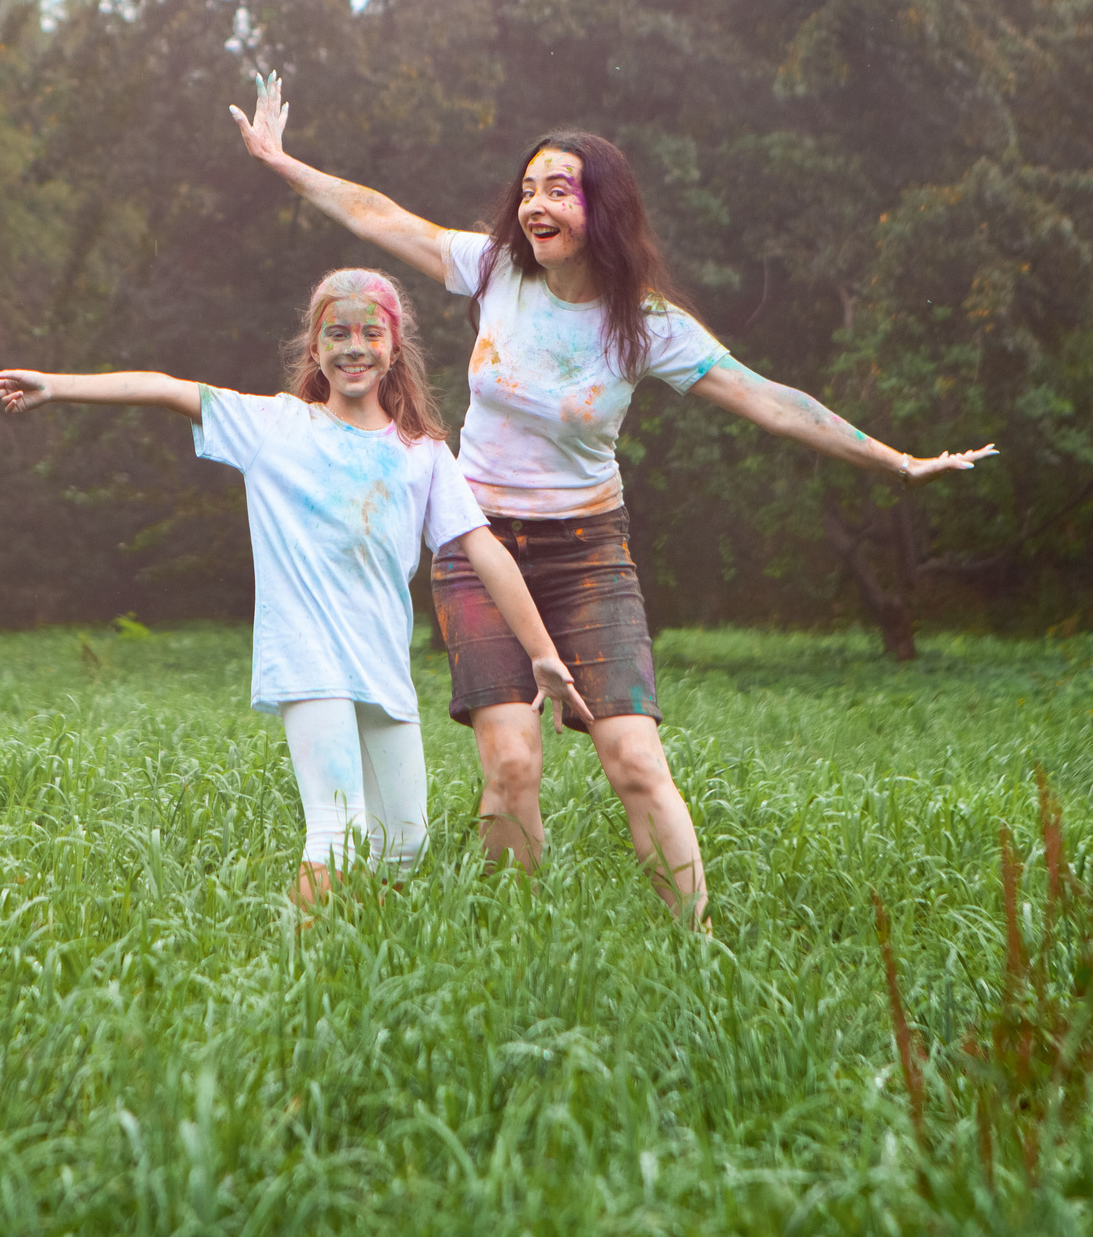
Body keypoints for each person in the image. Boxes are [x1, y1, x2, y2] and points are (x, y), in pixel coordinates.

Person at [229, 76, 996, 924]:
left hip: (589, 553)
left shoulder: (649, 324)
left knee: (634, 758)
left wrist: (895, 460)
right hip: (479, 545)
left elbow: (769, 399)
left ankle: (698, 944)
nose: (534, 204)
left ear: (603, 207)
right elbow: (382, 217)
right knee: (511, 763)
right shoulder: (494, 271)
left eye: (557, 189)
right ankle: (512, 941)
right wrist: (283, 163)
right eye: (527, 189)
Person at [0, 267, 590, 913]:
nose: (353, 346)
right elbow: (164, 388)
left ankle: (359, 953)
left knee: (405, 842)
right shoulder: (274, 426)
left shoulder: (422, 452)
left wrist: (541, 652)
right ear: (315, 348)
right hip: (307, 657)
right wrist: (56, 385)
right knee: (338, 831)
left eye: (370, 333)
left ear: (393, 348)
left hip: (382, 664)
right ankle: (300, 965)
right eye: (337, 333)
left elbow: (484, 550)